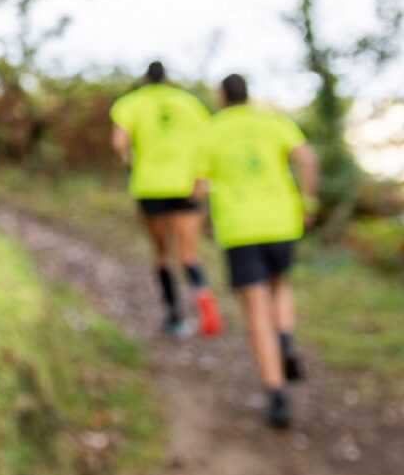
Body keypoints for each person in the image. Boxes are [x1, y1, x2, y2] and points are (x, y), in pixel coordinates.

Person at [191, 73, 319, 429]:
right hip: (282, 220)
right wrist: (308, 202)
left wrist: (195, 198)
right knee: (280, 285)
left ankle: (277, 395)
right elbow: (307, 159)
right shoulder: (273, 122)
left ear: (222, 96)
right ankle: (286, 337)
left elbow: (200, 187)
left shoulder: (210, 130)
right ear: (248, 93)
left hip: (240, 228)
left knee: (255, 310)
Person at [110, 61, 218, 337]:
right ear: (167, 79)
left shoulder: (131, 103)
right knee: (188, 254)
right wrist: (202, 176)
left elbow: (119, 143)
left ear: (146, 79)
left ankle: (175, 316)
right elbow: (209, 141)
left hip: (150, 186)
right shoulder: (188, 103)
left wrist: (129, 161)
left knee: (161, 255)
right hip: (186, 185)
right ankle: (205, 303)